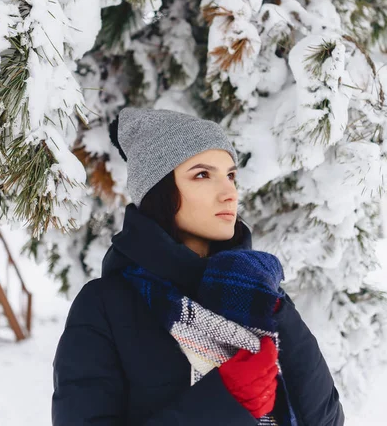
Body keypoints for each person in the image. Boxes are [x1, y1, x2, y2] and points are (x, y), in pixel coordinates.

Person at [52, 107, 345, 426]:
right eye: (203, 175)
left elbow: (326, 421)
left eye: (231, 175)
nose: (229, 193)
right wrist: (226, 402)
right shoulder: (105, 306)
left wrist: (278, 314)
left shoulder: (256, 294)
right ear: (159, 190)